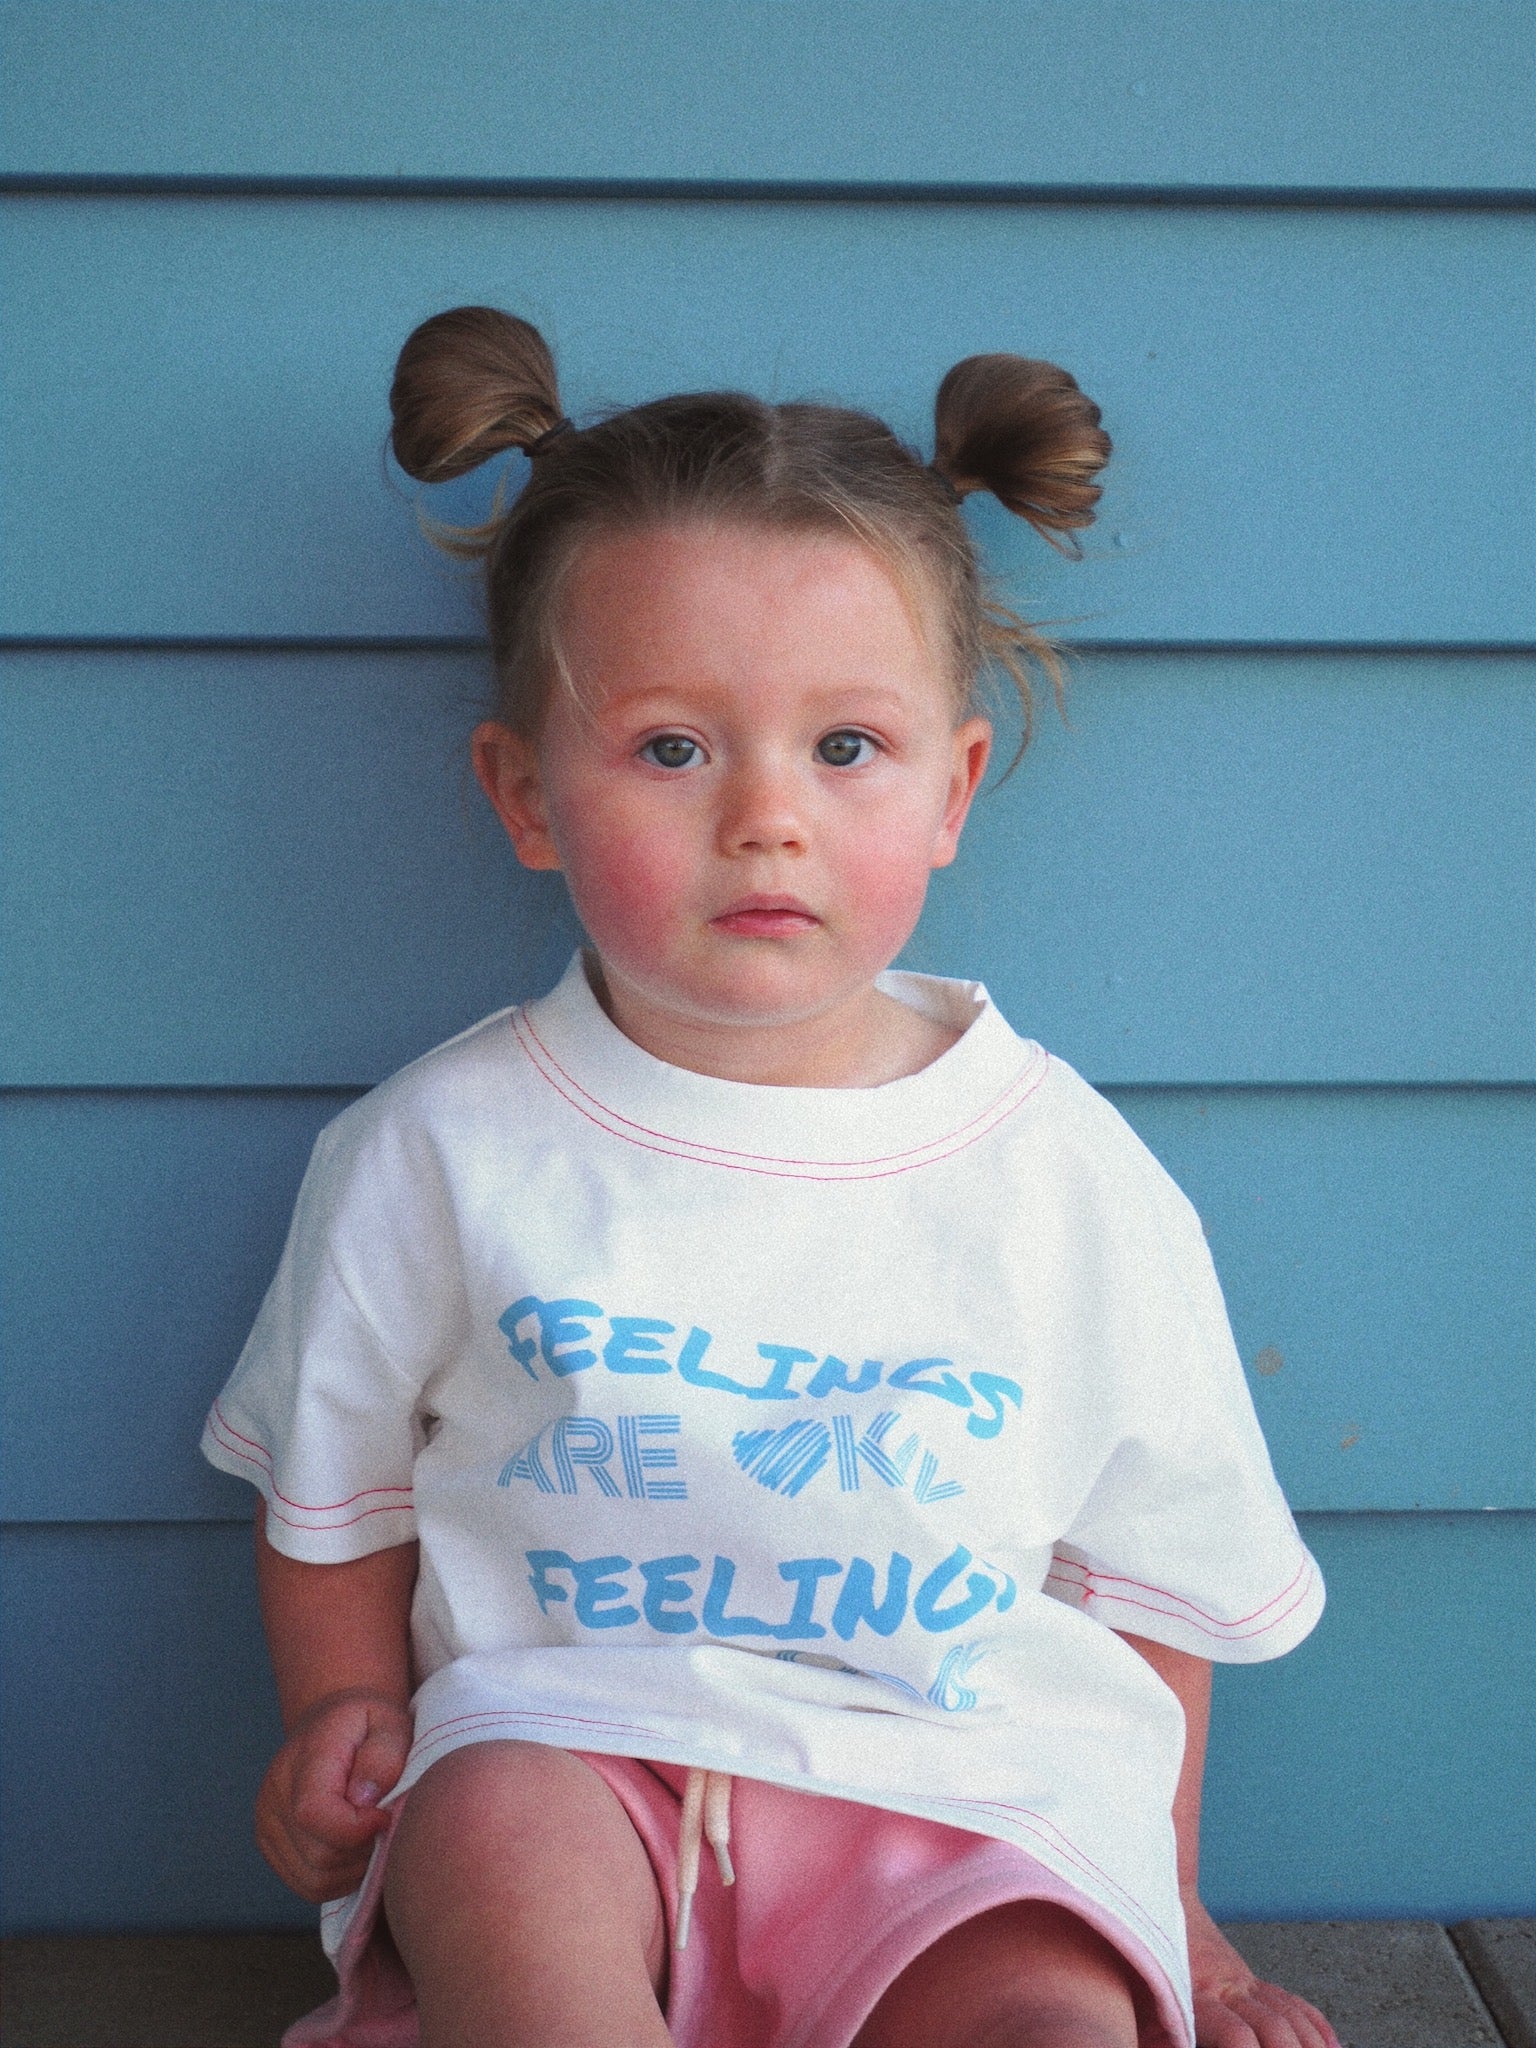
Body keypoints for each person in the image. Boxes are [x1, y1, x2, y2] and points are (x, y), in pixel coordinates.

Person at [203, 306, 1340, 2048]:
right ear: (524, 792)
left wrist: (1171, 1916)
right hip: (580, 1770)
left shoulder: (1063, 1176)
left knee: (1060, 2018)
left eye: (845, 748)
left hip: (959, 1800)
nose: (766, 818)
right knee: (492, 1824)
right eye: (672, 748)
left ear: (953, 788)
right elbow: (333, 1502)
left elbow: (1151, 1591)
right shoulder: (440, 1151)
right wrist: (345, 1710)